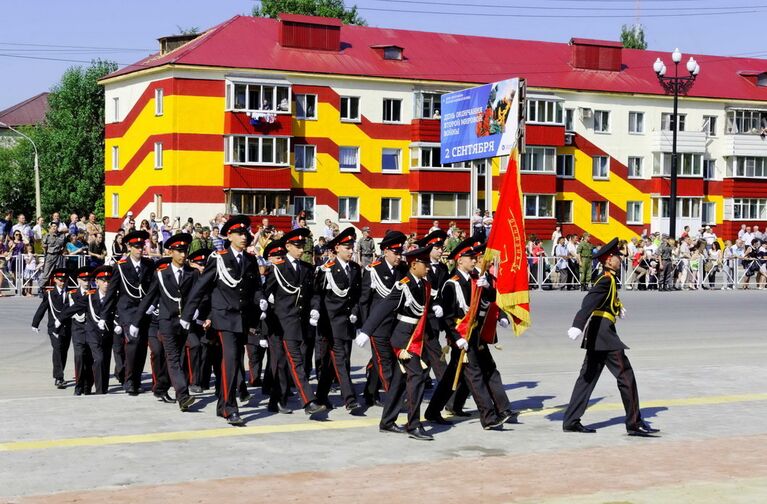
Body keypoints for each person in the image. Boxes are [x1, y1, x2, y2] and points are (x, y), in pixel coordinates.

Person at [562, 238, 660, 437]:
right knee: (626, 376)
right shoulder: (606, 279)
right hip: (604, 335)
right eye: (616, 256)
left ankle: (571, 420)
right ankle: (634, 422)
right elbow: (589, 301)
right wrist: (577, 325)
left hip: (598, 333)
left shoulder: (609, 278)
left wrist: (617, 307)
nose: (619, 258)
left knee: (587, 378)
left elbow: (606, 300)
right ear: (608, 260)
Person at [181, 215, 264, 426]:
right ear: (229, 235)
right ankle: (230, 407)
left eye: (245, 233)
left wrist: (261, 301)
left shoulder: (250, 260)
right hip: (224, 317)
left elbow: (254, 288)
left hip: (242, 319)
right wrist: (187, 315)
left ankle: (221, 405)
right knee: (231, 360)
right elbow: (201, 288)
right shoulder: (218, 258)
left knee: (234, 361)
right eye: (239, 233)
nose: (243, 237)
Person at [357, 244, 439, 440]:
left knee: (398, 380)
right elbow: (384, 307)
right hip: (403, 340)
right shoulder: (404, 284)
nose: (428, 268)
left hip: (416, 336)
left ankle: (387, 422)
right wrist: (366, 331)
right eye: (425, 264)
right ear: (413, 265)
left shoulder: (424, 284)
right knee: (417, 377)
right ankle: (414, 425)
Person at [263, 229, 327, 416]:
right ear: (288, 246)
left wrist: (315, 308)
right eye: (297, 246)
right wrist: (264, 317)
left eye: (303, 246)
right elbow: (265, 292)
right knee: (295, 361)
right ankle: (308, 400)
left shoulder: (307, 269)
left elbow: (314, 293)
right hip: (283, 322)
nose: (301, 250)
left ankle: (276, 400)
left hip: (301, 323)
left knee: (283, 363)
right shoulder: (278, 268)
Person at [132, 233, 197, 412]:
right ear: (171, 252)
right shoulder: (161, 275)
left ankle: (161, 387)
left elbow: (199, 295)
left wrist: (197, 311)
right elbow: (148, 298)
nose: (183, 255)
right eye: (179, 251)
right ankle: (183, 396)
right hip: (167, 322)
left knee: (180, 358)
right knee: (173, 358)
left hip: (184, 323)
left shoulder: (192, 273)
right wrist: (136, 322)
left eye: (185, 251)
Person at [314, 227, 363, 412]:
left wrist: (356, 313)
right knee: (340, 359)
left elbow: (357, 296)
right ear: (337, 249)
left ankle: (320, 397)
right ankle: (350, 399)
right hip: (331, 323)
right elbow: (317, 295)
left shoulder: (355, 269)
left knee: (333, 363)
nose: (351, 251)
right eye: (347, 247)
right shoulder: (327, 270)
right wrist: (316, 313)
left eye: (352, 247)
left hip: (347, 322)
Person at [101, 230, 154, 395]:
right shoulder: (121, 267)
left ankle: (136, 379)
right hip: (127, 310)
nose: (140, 250)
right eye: (136, 247)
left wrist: (153, 305)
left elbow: (153, 288)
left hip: (144, 310)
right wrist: (104, 315)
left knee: (142, 347)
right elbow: (112, 293)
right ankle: (129, 380)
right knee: (132, 344)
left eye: (142, 246)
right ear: (129, 247)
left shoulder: (149, 264)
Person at [358, 230, 407, 406]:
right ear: (385, 251)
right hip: (378, 326)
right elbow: (364, 301)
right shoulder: (373, 270)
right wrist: (366, 327)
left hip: (396, 325)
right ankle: (395, 401)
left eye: (401, 252)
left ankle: (370, 393)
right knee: (385, 362)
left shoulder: (403, 270)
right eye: (395, 252)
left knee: (384, 360)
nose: (398, 256)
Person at [31, 268, 73, 389]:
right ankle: (59, 377)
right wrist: (35, 323)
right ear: (55, 280)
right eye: (60, 280)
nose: (62, 282)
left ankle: (60, 374)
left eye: (64, 280)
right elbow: (42, 309)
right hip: (54, 328)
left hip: (67, 327)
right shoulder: (49, 294)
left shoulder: (70, 293)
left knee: (63, 351)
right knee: (57, 349)